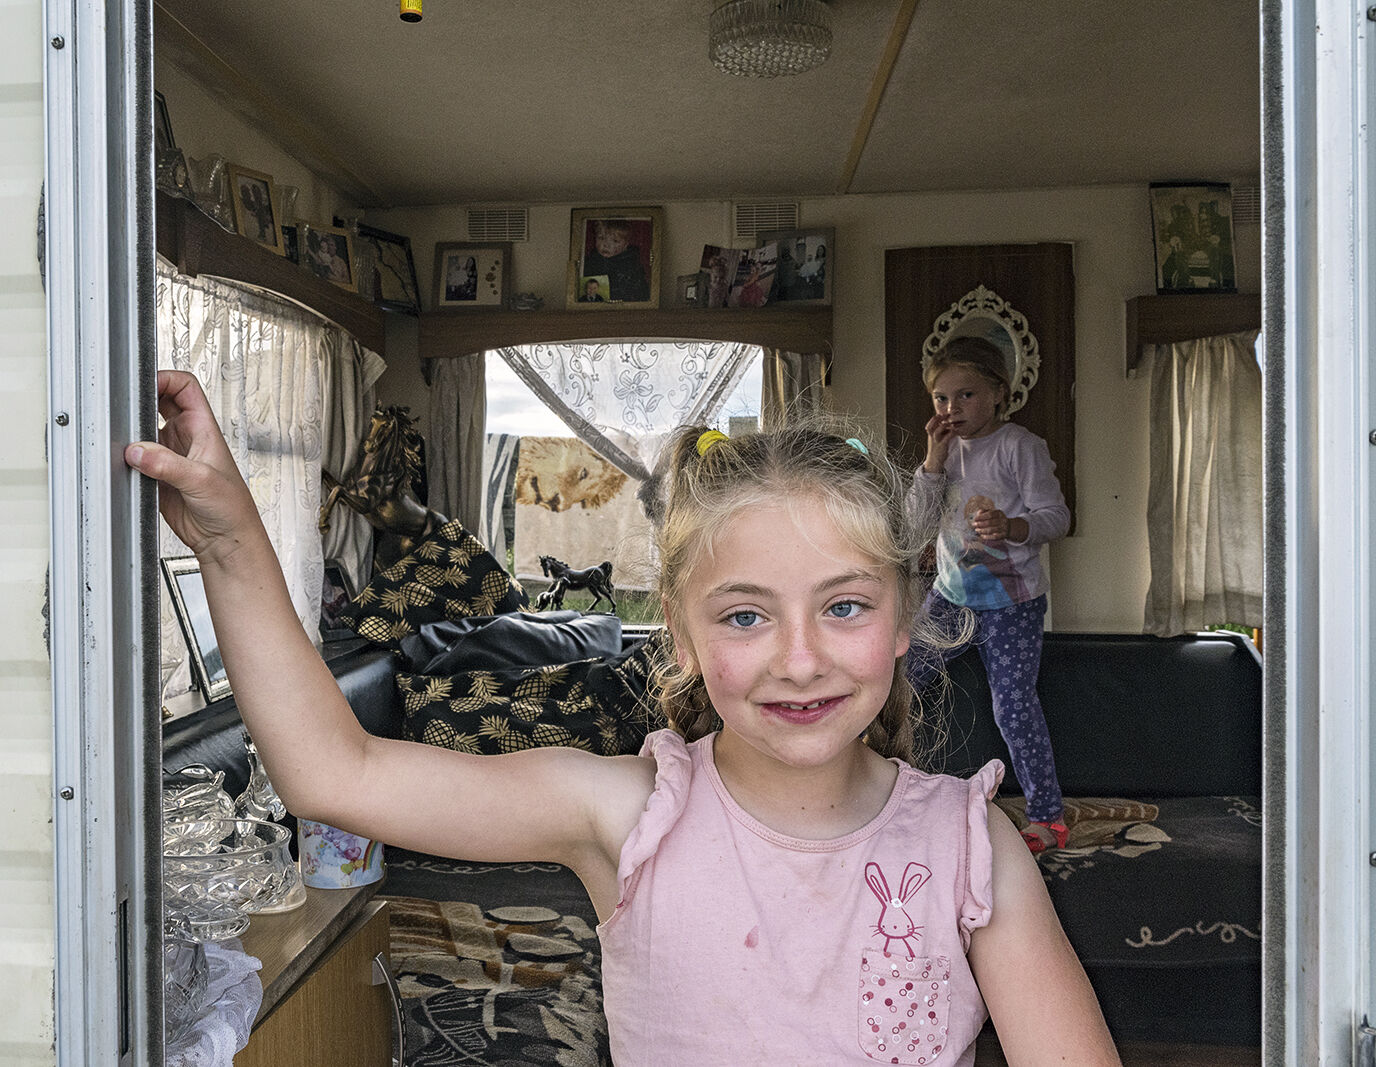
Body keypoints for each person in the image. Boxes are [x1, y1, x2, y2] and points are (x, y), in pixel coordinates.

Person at [126, 369, 1118, 1065]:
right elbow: (335, 770)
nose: (800, 654)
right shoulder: (628, 814)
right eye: (744, 614)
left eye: (844, 604)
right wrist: (230, 537)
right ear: (681, 637)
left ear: (904, 619)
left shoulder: (972, 845)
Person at [907, 335, 1073, 855]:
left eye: (966, 395)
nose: (951, 408)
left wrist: (1011, 527)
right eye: (940, 398)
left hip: (1011, 604)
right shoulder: (945, 451)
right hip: (951, 597)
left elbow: (1057, 520)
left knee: (1013, 708)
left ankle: (1049, 817)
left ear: (999, 392)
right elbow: (914, 524)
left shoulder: (1020, 447)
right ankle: (878, 795)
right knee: (893, 681)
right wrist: (933, 461)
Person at [582, 219, 649, 302]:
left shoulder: (632, 264)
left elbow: (641, 293)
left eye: (615, 241)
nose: (606, 245)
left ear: (625, 245)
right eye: (601, 238)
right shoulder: (590, 261)